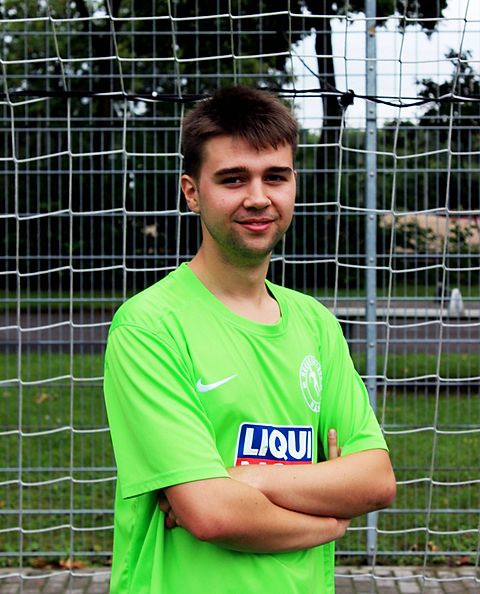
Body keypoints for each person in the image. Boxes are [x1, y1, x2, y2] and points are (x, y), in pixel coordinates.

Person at [103, 86, 396, 594]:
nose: (258, 198)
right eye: (233, 179)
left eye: (275, 177)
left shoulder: (316, 325)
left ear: (294, 184)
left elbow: (375, 480)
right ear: (192, 191)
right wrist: (328, 521)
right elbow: (212, 514)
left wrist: (249, 478)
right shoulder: (149, 327)